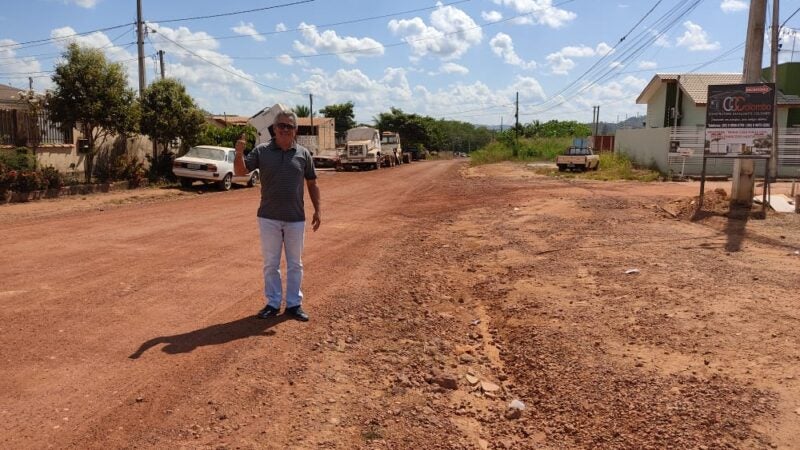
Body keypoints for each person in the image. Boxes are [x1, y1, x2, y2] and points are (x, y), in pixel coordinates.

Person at [236, 107, 321, 321]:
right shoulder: (262, 151)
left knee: (295, 263)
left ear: (295, 130)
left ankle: (294, 304)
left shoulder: (303, 154)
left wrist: (318, 209)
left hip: (296, 218)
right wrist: (238, 153)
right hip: (269, 217)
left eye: (288, 126)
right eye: (280, 125)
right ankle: (273, 303)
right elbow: (240, 172)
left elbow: (312, 182)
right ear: (274, 128)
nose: (284, 129)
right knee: (270, 263)